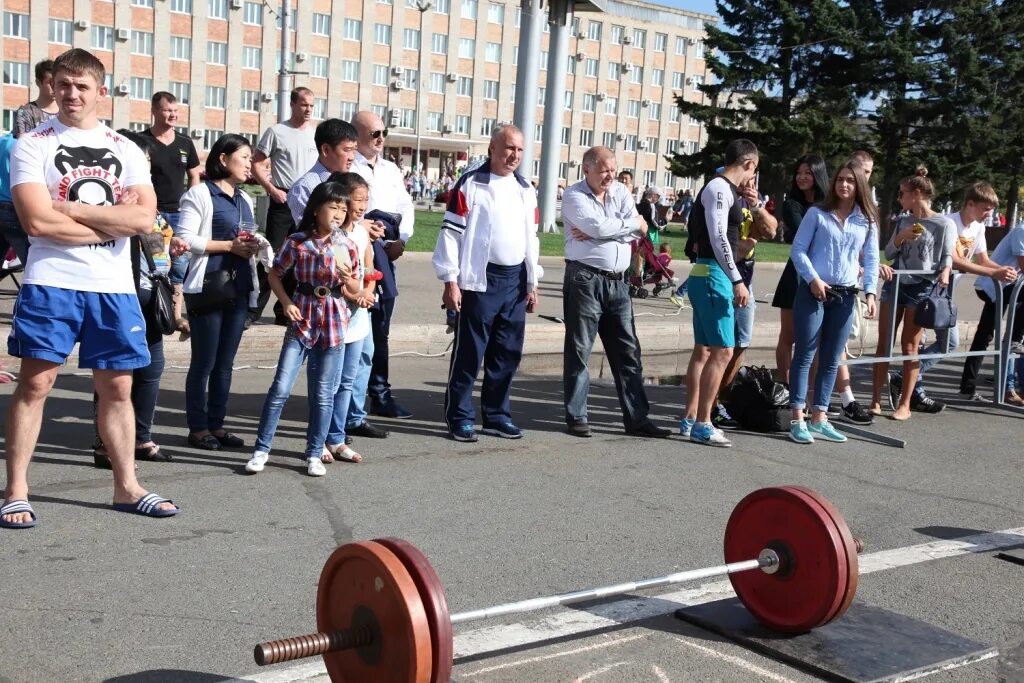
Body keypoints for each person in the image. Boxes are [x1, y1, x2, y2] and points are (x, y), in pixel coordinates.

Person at [4, 48, 179, 528]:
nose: (71, 94)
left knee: (118, 388)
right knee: (35, 384)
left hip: (113, 287)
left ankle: (128, 487)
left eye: (82, 86)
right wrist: (111, 223)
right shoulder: (32, 144)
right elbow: (36, 221)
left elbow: (145, 218)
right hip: (51, 283)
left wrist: (73, 210)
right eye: (64, 84)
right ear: (52, 87)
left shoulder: (125, 149)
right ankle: (16, 490)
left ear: (101, 91)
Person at [246, 181, 363, 477]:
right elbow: (275, 275)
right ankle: (261, 449)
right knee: (280, 387)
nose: (338, 213)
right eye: (333, 206)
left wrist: (348, 278)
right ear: (317, 208)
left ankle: (314, 453)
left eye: (342, 208)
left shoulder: (345, 244)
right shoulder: (298, 241)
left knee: (324, 393)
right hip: (302, 319)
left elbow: (354, 288)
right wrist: (285, 302)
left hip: (334, 321)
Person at [433, 124, 541, 442]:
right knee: (470, 352)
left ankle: (496, 415)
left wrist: (532, 282)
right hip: (480, 279)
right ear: (492, 147)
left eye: (520, 150)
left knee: (507, 352)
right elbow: (451, 234)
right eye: (509, 148)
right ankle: (460, 416)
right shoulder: (471, 184)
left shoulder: (525, 188)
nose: (514, 155)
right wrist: (450, 281)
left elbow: (530, 239)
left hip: (515, 280)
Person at [561, 147, 671, 438]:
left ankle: (637, 419)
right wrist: (627, 226)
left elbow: (641, 229)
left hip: (619, 283)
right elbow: (597, 226)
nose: (610, 175)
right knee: (579, 350)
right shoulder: (573, 196)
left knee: (627, 351)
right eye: (603, 170)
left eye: (612, 169)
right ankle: (577, 416)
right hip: (585, 279)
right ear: (587, 169)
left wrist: (619, 228)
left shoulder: (621, 191)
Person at [90, 131, 179, 467]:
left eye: (147, 162)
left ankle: (141, 438)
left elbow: (158, 240)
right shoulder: (103, 198)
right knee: (112, 375)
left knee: (151, 369)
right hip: (116, 295)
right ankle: (103, 445)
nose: (145, 167)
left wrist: (171, 248)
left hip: (149, 294)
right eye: (140, 160)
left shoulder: (147, 198)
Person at [892, 182, 1017, 410]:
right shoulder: (949, 222)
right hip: (929, 287)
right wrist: (993, 273)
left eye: (990, 209)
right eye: (985, 208)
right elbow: (955, 260)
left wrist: (1003, 271)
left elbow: (982, 259)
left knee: (945, 343)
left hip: (945, 291)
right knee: (938, 342)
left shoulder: (978, 228)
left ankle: (907, 379)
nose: (989, 214)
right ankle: (909, 385)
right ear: (970, 204)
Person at [176, 134, 264, 451]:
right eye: (244, 157)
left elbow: (248, 236)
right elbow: (185, 239)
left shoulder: (245, 199)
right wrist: (229, 246)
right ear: (224, 159)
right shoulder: (199, 194)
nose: (249, 163)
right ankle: (198, 428)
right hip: (209, 287)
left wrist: (254, 244)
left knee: (225, 364)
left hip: (239, 286)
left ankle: (217, 424)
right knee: (205, 362)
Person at [788, 160, 879, 444]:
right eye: (840, 179)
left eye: (850, 181)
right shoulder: (817, 213)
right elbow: (798, 250)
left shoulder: (867, 219)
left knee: (831, 359)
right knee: (805, 354)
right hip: (814, 291)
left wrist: (870, 292)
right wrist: (813, 279)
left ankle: (820, 417)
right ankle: (797, 418)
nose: (844, 185)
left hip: (845, 295)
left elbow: (873, 258)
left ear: (859, 185)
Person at [679, 140, 758, 447]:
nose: (753, 178)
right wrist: (737, 279)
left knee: (704, 350)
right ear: (749, 164)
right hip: (714, 274)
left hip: (705, 272)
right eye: (754, 171)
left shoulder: (722, 190)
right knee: (723, 351)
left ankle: (691, 418)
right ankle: (703, 423)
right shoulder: (720, 189)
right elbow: (719, 238)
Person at [868, 168, 955, 420]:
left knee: (910, 346)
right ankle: (875, 400)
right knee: (884, 343)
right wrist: (901, 237)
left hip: (923, 286)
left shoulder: (943, 222)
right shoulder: (904, 220)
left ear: (916, 194)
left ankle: (905, 404)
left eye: (902, 193)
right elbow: (889, 254)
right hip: (896, 283)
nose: (899, 198)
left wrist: (946, 271)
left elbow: (947, 255)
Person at [351, 111, 416, 420]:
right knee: (356, 329)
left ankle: (380, 392)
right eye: (373, 133)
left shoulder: (390, 169)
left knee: (381, 328)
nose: (379, 139)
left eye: (382, 133)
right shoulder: (349, 167)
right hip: (357, 254)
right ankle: (351, 396)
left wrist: (401, 240)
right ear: (356, 134)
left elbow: (405, 206)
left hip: (387, 251)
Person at [711, 174, 778, 430]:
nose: (747, 185)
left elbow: (771, 231)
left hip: (745, 284)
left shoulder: (752, 204)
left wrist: (757, 206)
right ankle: (706, 403)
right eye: (744, 180)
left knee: (740, 344)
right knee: (714, 346)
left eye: (752, 182)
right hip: (721, 280)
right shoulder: (721, 199)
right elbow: (716, 242)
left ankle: (722, 402)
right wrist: (742, 246)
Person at [320, 173, 377, 460]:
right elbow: (338, 276)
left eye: (366, 199)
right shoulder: (333, 235)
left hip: (358, 316)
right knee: (328, 382)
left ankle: (337, 438)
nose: (362, 205)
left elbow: (370, 269)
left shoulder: (362, 232)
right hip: (335, 314)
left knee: (347, 381)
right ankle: (318, 438)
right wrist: (356, 295)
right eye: (357, 199)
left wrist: (368, 291)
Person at [251, 87, 318, 326]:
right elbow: (257, 164)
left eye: (311, 105)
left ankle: (284, 311)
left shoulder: (315, 135)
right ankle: (253, 310)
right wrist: (272, 190)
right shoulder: (277, 132)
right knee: (273, 255)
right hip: (282, 200)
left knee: (299, 256)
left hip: (308, 202)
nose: (308, 109)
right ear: (292, 104)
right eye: (304, 104)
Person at [140, 92, 201, 338]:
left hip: (180, 214)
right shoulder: (143, 141)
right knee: (156, 265)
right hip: (153, 215)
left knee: (180, 265)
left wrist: (194, 203)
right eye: (167, 110)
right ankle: (155, 311)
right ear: (155, 111)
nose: (173, 115)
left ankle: (175, 316)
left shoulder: (185, 143)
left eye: (176, 110)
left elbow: (195, 174)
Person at [772, 155, 829, 386]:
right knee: (789, 336)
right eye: (799, 173)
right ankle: (786, 388)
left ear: (818, 174)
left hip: (825, 274)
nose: (802, 177)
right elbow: (802, 237)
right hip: (796, 275)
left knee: (814, 340)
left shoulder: (830, 206)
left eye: (808, 172)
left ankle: (809, 392)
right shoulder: (791, 205)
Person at [959, 221, 1024, 401]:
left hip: (1010, 286)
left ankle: (968, 386)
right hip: (993, 286)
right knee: (986, 335)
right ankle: (1014, 339)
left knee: (984, 335)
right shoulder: (1022, 230)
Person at [13, 60, 57, 138]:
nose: (55, 86)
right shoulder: (25, 112)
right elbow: (22, 144)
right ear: (38, 82)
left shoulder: (67, 111)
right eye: (50, 82)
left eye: (57, 82)